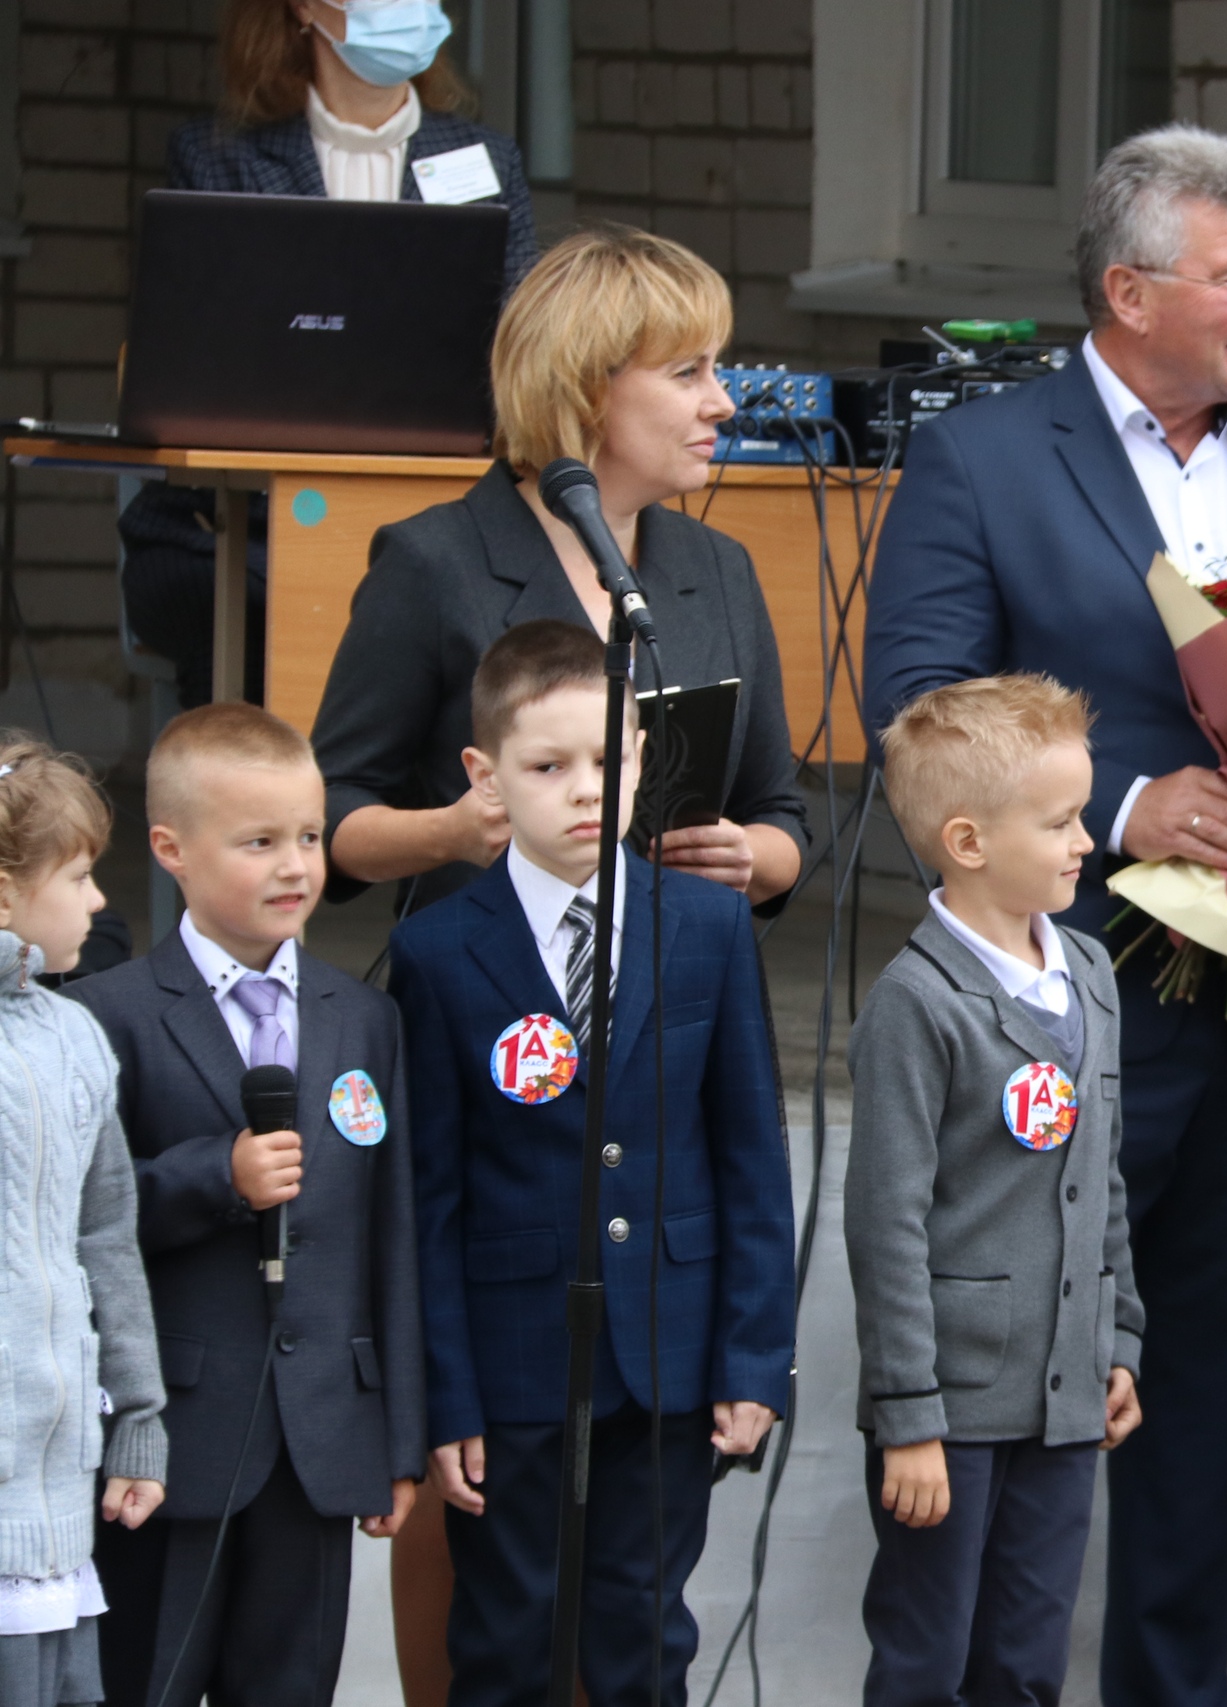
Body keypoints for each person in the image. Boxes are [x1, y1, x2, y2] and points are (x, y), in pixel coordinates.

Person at [863, 123, 1227, 1707]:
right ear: (1130, 291)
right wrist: (1125, 804)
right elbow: (915, 705)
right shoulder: (986, 459)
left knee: (1201, 1404)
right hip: (1065, 992)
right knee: (1022, 1384)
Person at [388, 621, 795, 1707]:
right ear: (484, 775)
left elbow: (751, 1159)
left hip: (669, 1349)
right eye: (546, 766)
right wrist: (444, 1395)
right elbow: (429, 1197)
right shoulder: (436, 951)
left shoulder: (706, 925)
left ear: (644, 756)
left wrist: (754, 1358)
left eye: (609, 760)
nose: (584, 788)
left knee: (642, 1634)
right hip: (512, 1359)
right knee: (506, 1637)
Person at [312, 223, 810, 925]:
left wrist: (749, 856)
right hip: (494, 973)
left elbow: (779, 813)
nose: (722, 402)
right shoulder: (434, 562)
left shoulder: (720, 566)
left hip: (678, 976)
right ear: (585, 388)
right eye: (686, 373)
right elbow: (330, 810)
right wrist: (451, 833)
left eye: (715, 369)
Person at [70, 705, 417, 1707]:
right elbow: (83, 1225)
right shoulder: (110, 1015)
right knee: (148, 1676)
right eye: (259, 842)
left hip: (322, 1440)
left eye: (308, 836)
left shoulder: (365, 1019)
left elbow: (391, 1235)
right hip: (170, 1439)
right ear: (171, 849)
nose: (295, 865)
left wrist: (396, 1436)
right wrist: (213, 1176)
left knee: (290, 1683)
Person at [846, 675, 1145, 1707]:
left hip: (1064, 1397)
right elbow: (885, 1223)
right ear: (968, 842)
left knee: (1024, 1664)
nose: (1085, 841)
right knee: (926, 1662)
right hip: (952, 1409)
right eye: (1059, 822)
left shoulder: (1091, 971)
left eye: (1082, 815)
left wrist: (1118, 1338)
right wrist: (909, 1417)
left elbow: (1102, 1172)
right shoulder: (917, 1002)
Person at [127, 0, 539, 710]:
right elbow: (202, 358)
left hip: (435, 517)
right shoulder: (215, 153)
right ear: (304, 8)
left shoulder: (488, 158)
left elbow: (525, 356)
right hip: (243, 527)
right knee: (238, 621)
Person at [0, 738, 166, 1707]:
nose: (100, 901)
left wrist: (138, 1417)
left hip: (60, 1505)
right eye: (78, 876)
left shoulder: (76, 1038)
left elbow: (107, 1237)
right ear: (6, 893)